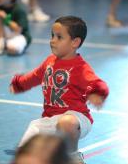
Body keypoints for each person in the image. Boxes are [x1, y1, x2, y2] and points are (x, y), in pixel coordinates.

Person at [10, 16, 109, 163]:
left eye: (59, 37)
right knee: (26, 150)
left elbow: (98, 83)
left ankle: (74, 156)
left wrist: (97, 93)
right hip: (50, 119)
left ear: (75, 42)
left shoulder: (81, 68)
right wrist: (19, 84)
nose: (52, 40)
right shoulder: (50, 62)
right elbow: (35, 76)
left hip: (78, 120)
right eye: (52, 36)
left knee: (66, 122)